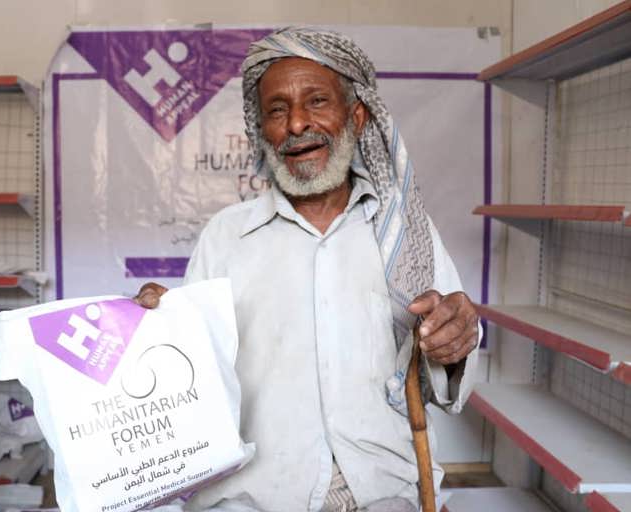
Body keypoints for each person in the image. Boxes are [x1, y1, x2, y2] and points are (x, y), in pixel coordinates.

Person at [137, 27, 480, 512]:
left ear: (356, 117)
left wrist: (457, 342)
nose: (297, 123)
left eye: (317, 101)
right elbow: (191, 382)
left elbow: (446, 384)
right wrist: (153, 337)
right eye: (277, 110)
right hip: (253, 500)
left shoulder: (406, 234)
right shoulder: (226, 237)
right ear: (262, 130)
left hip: (386, 495)